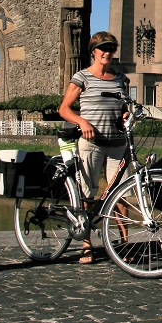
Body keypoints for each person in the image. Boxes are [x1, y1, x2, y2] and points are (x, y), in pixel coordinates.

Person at [59, 31, 129, 264]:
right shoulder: (82, 77)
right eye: (103, 49)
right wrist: (81, 121)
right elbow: (65, 108)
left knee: (121, 195)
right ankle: (86, 244)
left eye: (111, 49)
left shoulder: (120, 78)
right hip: (91, 144)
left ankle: (123, 244)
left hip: (118, 143)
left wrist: (126, 114)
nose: (107, 53)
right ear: (94, 52)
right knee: (87, 195)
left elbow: (123, 107)